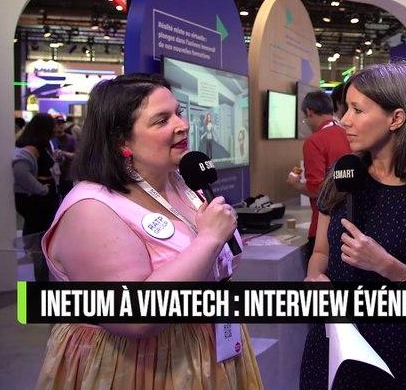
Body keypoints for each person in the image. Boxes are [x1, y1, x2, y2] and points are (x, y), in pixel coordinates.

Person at [36, 74, 262, 389]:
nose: (183, 125)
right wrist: (210, 239)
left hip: (208, 354)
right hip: (139, 368)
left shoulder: (180, 183)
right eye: (161, 120)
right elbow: (135, 318)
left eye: (178, 113)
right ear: (121, 140)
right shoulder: (91, 209)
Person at [300, 62, 406, 390]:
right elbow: (321, 252)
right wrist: (315, 277)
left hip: (399, 351)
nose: (345, 120)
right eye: (345, 109)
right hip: (331, 343)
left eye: (357, 110)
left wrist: (387, 266)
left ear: (397, 118)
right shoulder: (341, 176)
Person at [286, 90, 351, 255]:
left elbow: (317, 189)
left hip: (324, 227)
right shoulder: (349, 134)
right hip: (352, 222)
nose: (307, 123)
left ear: (309, 112)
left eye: (305, 118)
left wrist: (296, 185)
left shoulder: (314, 141)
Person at [13, 113, 59, 282]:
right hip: (38, 205)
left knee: (43, 242)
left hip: (44, 203)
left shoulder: (43, 146)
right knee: (39, 244)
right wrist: (42, 190)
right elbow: (21, 172)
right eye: (53, 125)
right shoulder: (31, 148)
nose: (56, 128)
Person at [51, 116, 77, 198]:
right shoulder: (50, 138)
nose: (60, 126)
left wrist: (63, 153)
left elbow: (76, 155)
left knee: (67, 196)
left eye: (62, 123)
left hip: (67, 173)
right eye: (58, 124)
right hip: (53, 173)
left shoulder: (70, 138)